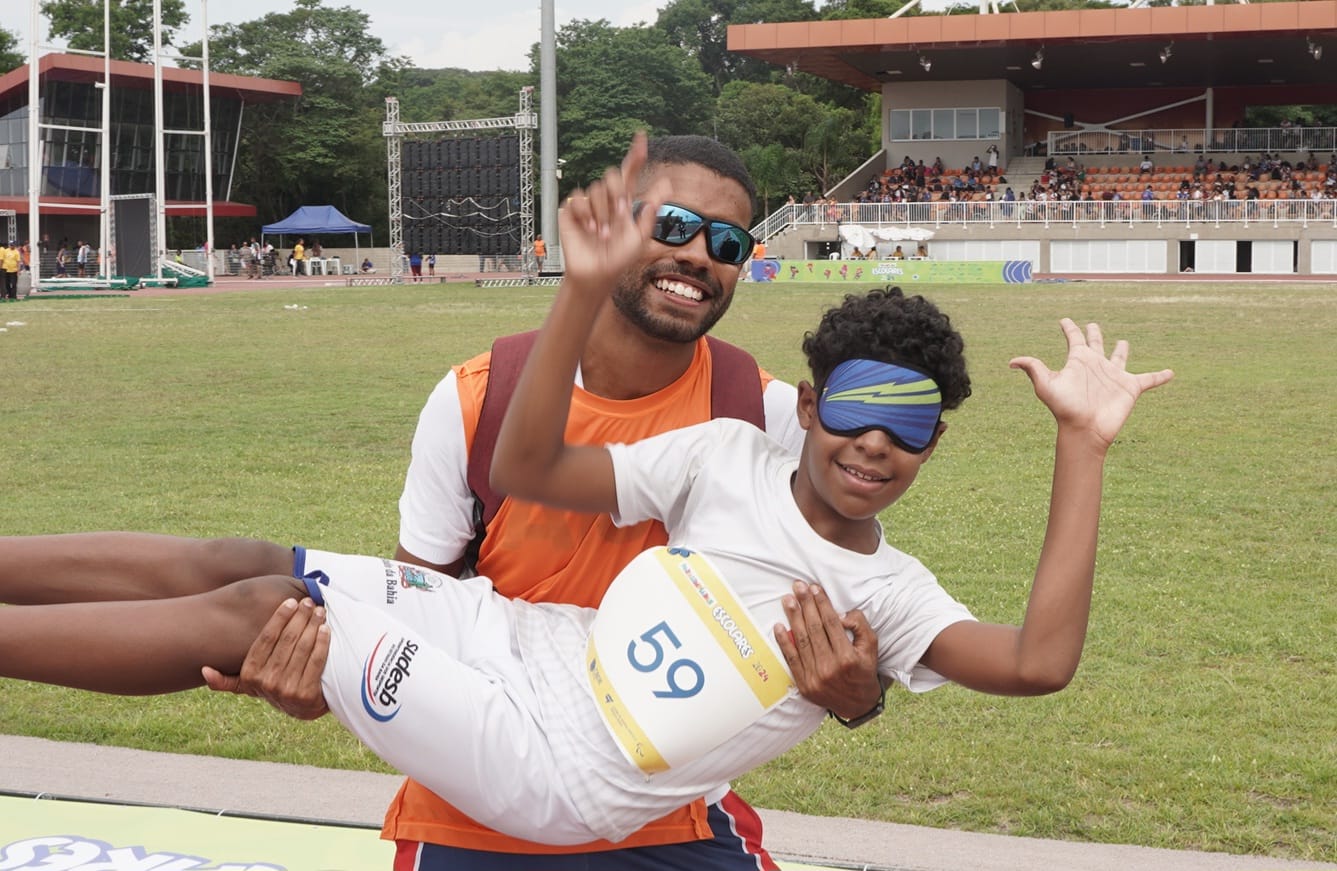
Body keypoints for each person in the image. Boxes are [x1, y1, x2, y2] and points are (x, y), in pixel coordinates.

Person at [0, 178, 1172, 845]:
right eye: (857, 410)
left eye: (908, 425)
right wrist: (575, 287)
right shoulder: (727, 453)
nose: (876, 443)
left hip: (558, 765)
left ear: (933, 445)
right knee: (243, 563)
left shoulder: (884, 586)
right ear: (810, 407)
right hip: (516, 642)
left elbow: (1036, 663)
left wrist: (1081, 445)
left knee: (257, 608)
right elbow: (529, 463)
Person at [208, 133, 882, 870]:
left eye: (726, 241)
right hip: (474, 805)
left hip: (667, 814)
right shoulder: (479, 397)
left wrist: (858, 693)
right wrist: (319, 678)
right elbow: (415, 607)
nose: (697, 254)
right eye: (672, 225)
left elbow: (849, 629)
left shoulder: (766, 416)